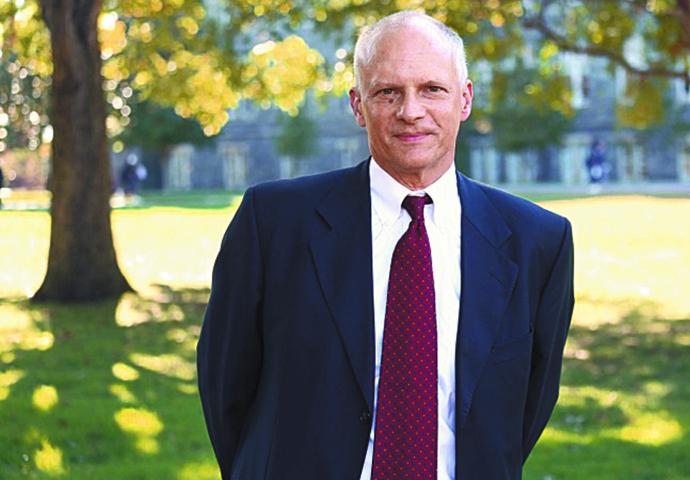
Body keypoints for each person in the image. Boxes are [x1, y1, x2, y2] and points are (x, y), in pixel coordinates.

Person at [197, 11, 574, 480]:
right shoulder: (273, 224)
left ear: (465, 99)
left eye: (432, 89)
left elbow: (529, 404)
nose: (410, 111)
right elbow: (224, 386)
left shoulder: (537, 241)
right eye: (388, 92)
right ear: (358, 105)